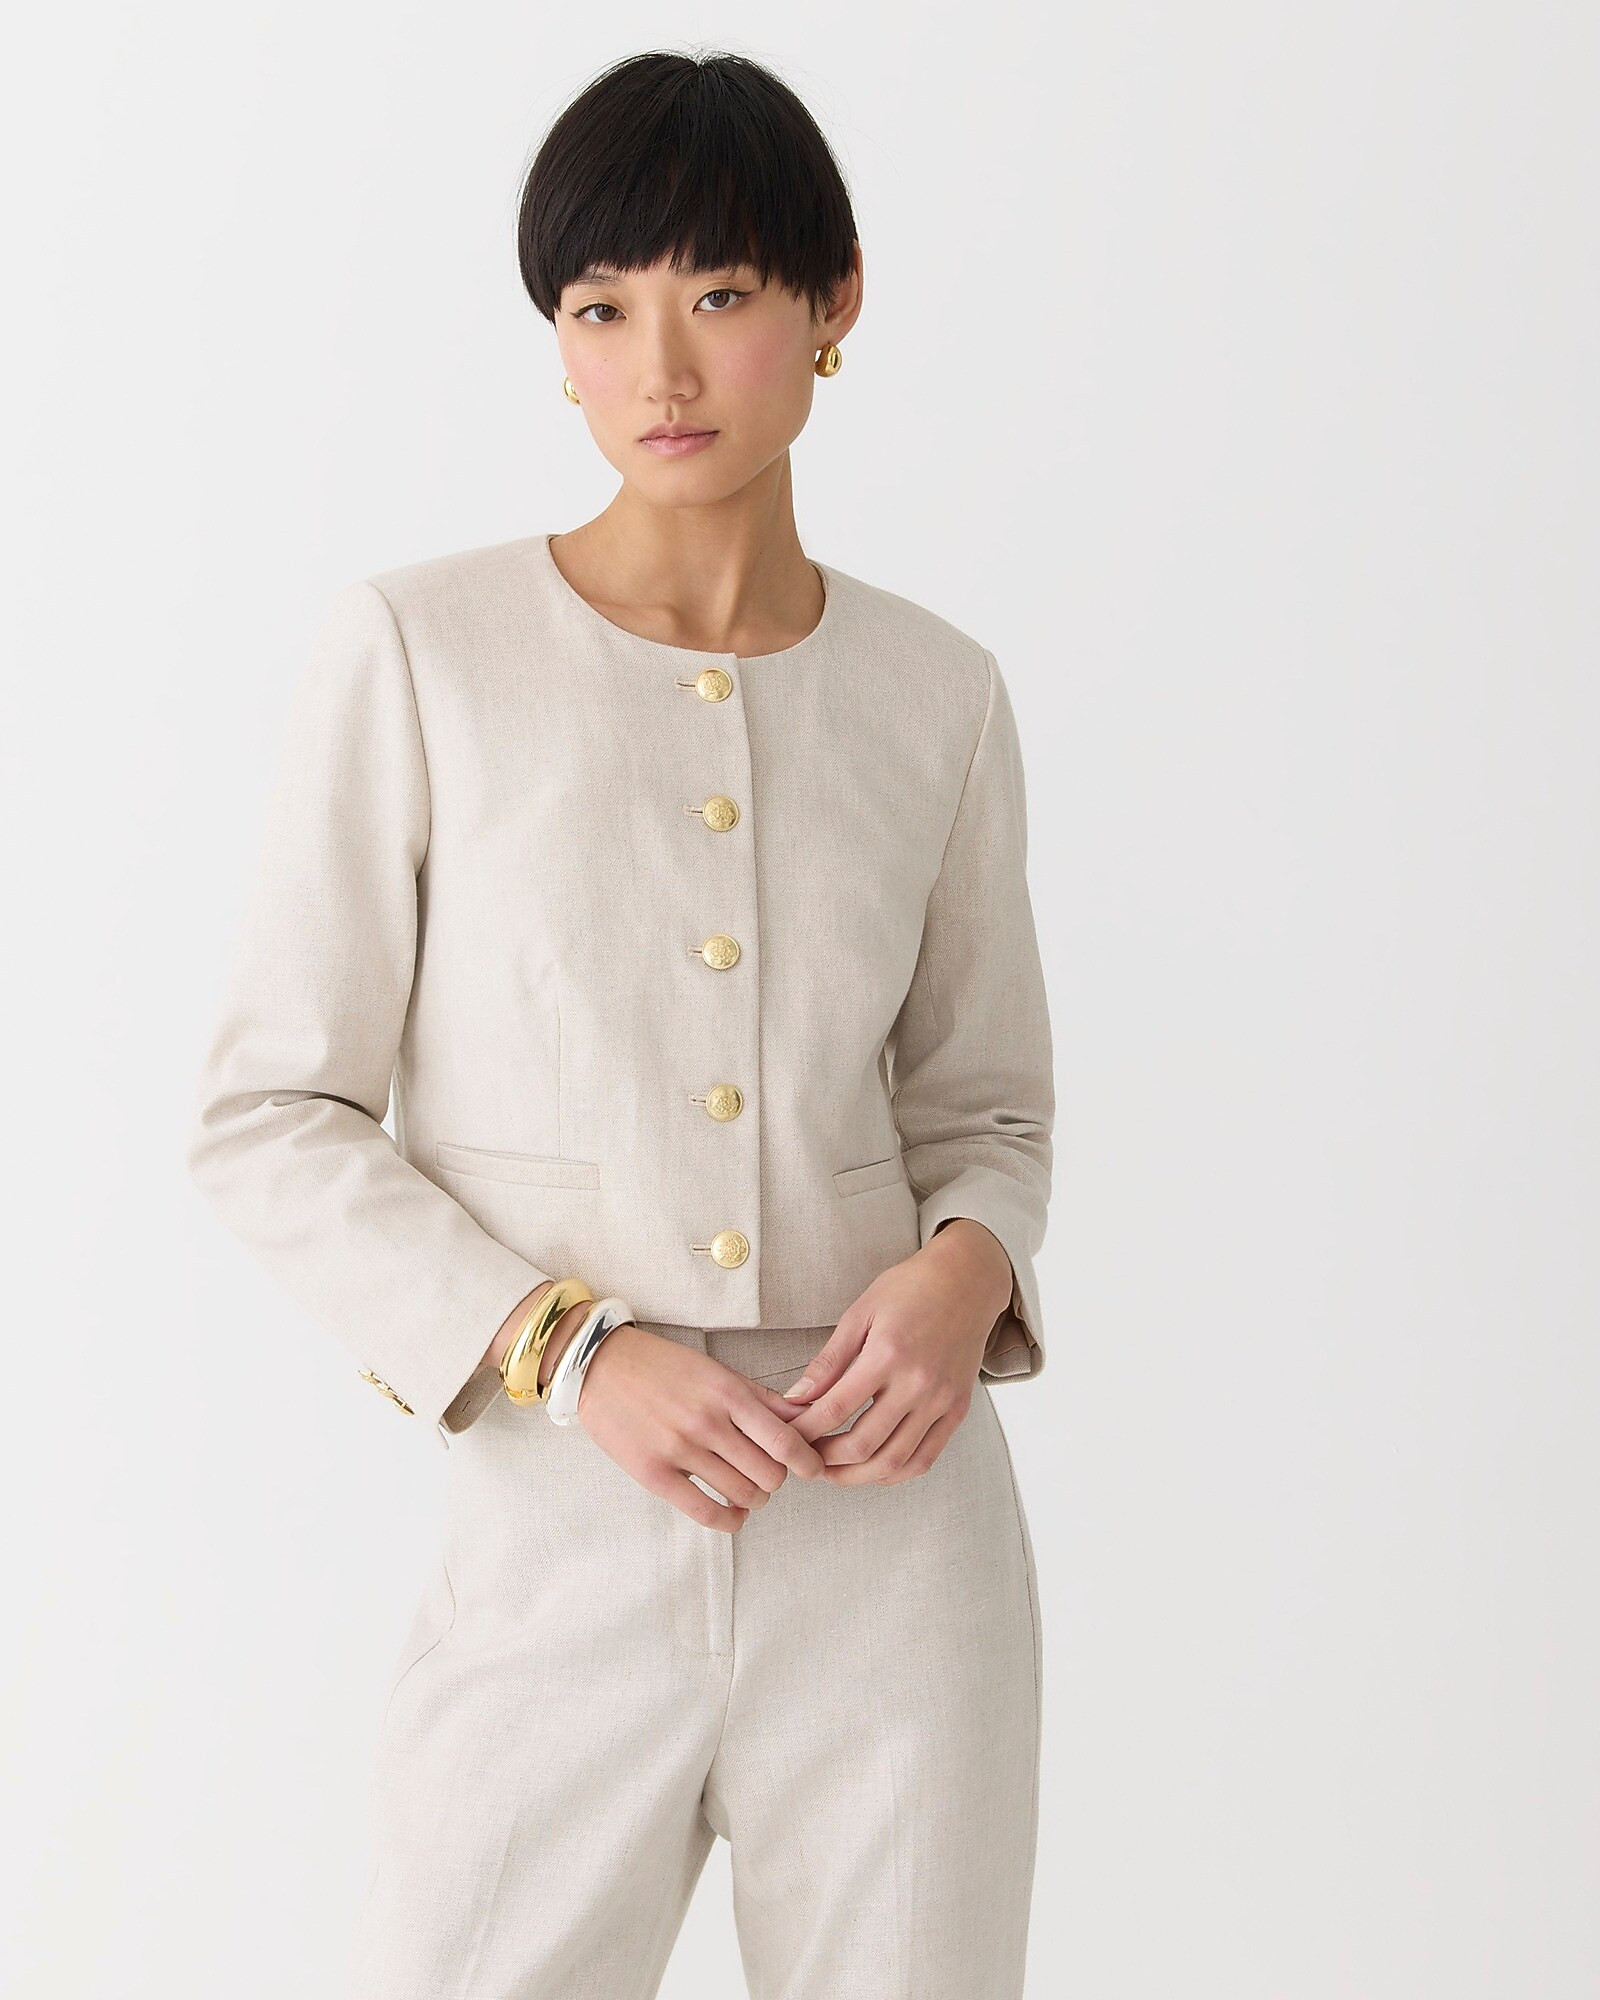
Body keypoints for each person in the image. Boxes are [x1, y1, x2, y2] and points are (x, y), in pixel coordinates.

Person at [186, 46, 1054, 1999]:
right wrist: (568, 1351)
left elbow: (987, 1103)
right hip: (557, 1523)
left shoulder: (940, 694)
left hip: (898, 1548)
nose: (659, 367)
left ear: (833, 303)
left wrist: (963, 1273)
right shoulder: (424, 651)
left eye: (719, 294)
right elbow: (269, 1111)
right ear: (556, 341)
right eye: (600, 308)